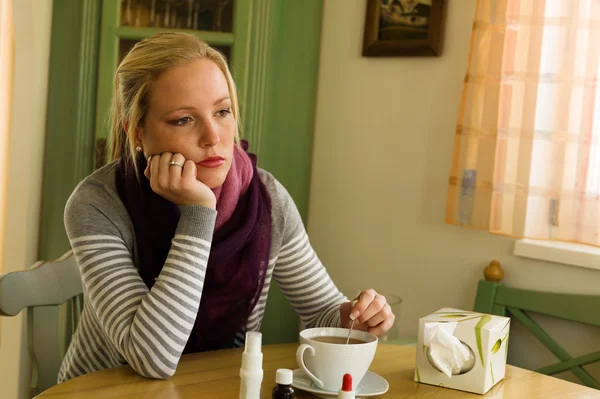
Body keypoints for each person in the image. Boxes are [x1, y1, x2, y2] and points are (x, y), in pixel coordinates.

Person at [57, 32, 395, 382]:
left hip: (215, 387)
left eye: (222, 111)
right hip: (102, 390)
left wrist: (354, 317)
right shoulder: (97, 203)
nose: (213, 136)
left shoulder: (266, 198)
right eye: (183, 119)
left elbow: (322, 311)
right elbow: (151, 358)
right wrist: (199, 213)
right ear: (137, 132)